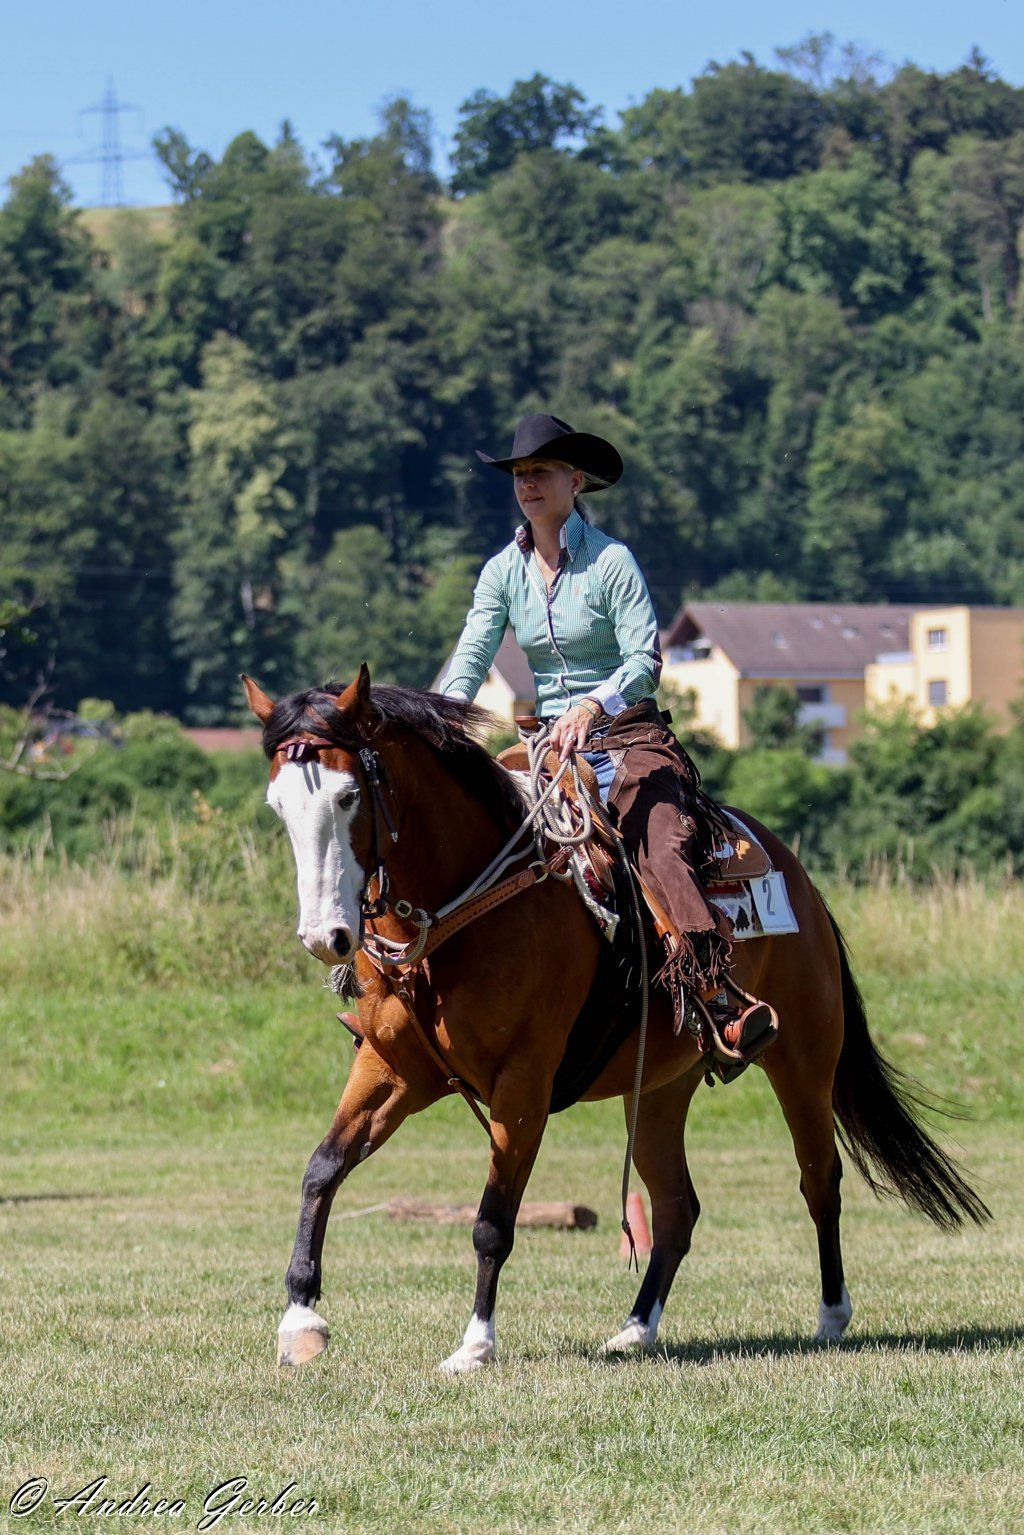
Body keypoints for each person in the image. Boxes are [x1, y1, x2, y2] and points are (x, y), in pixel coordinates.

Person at [439, 413, 778, 1073]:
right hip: (545, 747)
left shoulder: (612, 561)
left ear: (575, 480)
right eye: (519, 473)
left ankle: (716, 993)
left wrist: (593, 705)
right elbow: (471, 655)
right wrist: (443, 718)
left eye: (541, 471)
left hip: (627, 736)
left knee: (659, 841)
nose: (528, 483)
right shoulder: (501, 572)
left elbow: (644, 660)